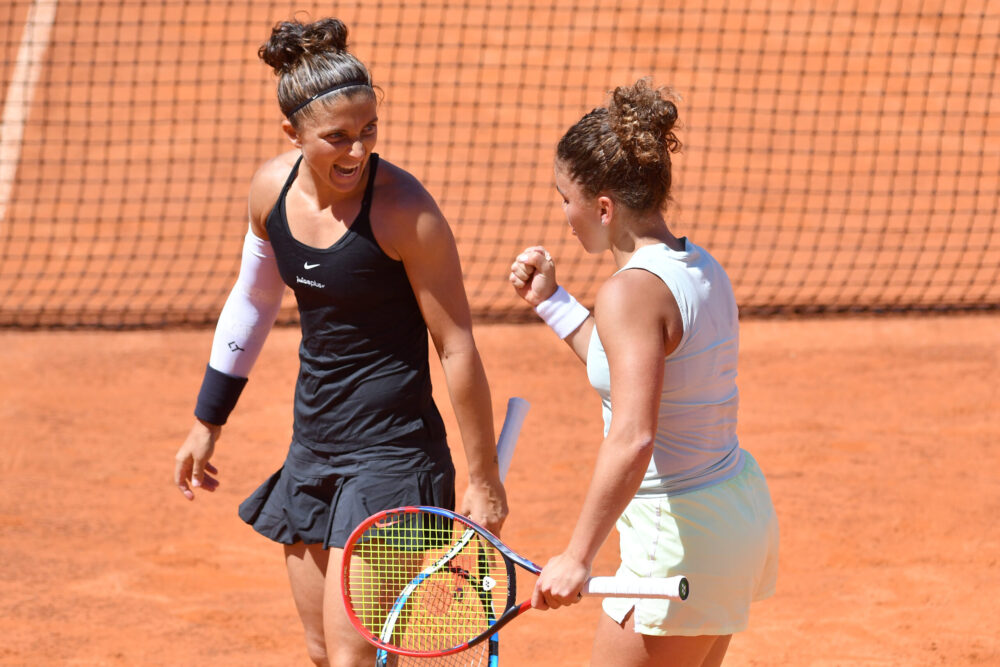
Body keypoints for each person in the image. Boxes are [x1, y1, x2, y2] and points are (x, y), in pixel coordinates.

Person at [172, 17, 507, 667]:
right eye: (338, 138)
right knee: (325, 652)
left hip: (391, 455)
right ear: (292, 134)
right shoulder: (270, 192)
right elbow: (254, 300)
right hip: (314, 446)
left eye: (369, 132)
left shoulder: (405, 212)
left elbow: (457, 345)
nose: (357, 151)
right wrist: (206, 422)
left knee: (354, 660)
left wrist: (485, 479)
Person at [509, 78, 779, 666]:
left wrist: (578, 555)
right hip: (730, 518)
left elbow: (632, 434)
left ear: (603, 207)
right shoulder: (699, 265)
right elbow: (629, 367)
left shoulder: (629, 292)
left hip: (675, 536)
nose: (563, 214)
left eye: (565, 198)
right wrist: (554, 302)